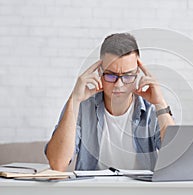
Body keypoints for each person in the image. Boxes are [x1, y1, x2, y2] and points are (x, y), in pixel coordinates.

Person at [45, 33, 175, 171]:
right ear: (100, 72)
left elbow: (175, 159)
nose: (119, 85)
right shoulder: (82, 106)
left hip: (141, 191)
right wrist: (74, 100)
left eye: (127, 76)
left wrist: (160, 104)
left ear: (138, 73)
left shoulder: (152, 108)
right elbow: (57, 164)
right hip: (94, 191)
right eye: (111, 75)